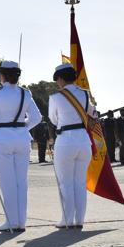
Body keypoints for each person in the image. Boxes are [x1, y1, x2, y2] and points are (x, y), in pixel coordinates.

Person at [0, 61, 41, 232]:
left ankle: (11, 221)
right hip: (22, 140)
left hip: (1, 140)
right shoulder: (25, 93)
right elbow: (37, 117)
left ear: (3, 75)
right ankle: (21, 222)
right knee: (21, 182)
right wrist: (21, 128)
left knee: (8, 182)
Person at [49, 63, 96, 229]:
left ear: (61, 78)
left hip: (66, 141)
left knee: (65, 182)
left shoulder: (56, 97)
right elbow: (93, 113)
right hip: (84, 141)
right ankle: (80, 220)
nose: (57, 83)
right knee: (80, 182)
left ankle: (67, 220)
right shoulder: (85, 94)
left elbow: (54, 120)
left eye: (57, 80)